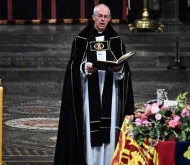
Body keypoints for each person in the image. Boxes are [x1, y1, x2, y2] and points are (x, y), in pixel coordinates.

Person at [54, 4, 134, 165]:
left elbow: (124, 72)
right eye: (100, 16)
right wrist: (84, 69)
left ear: (110, 19)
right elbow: (73, 67)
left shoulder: (116, 41)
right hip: (88, 95)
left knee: (110, 129)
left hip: (111, 93)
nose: (103, 19)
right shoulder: (81, 40)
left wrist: (118, 70)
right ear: (93, 17)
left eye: (106, 17)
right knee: (89, 130)